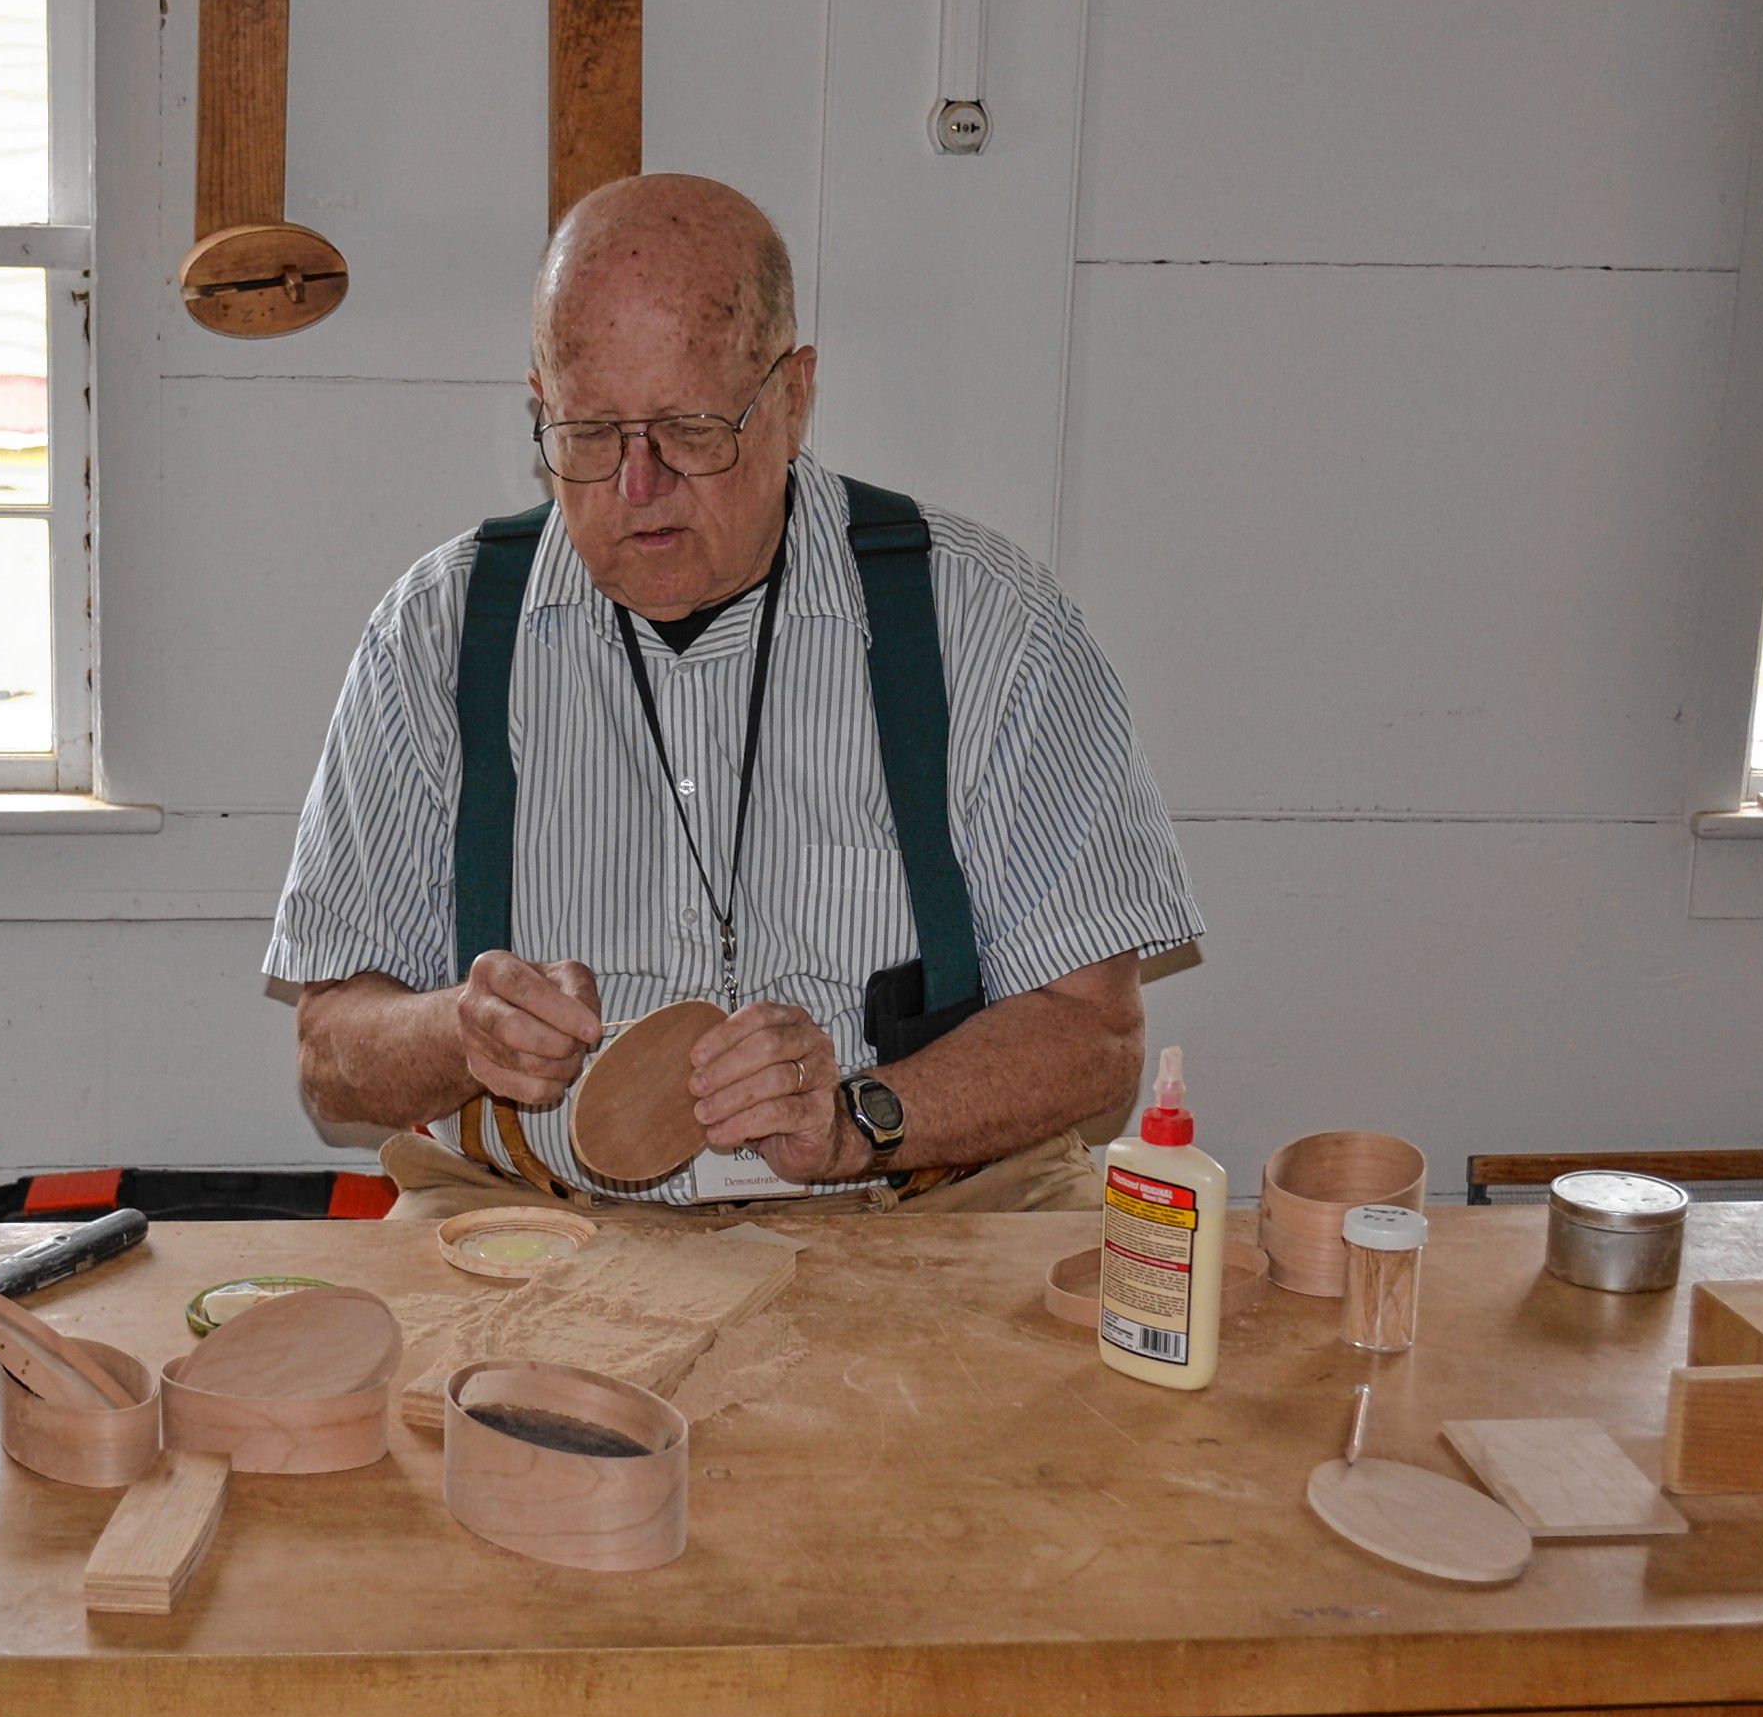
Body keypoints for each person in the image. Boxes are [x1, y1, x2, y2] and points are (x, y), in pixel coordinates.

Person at [267, 174, 1200, 1220]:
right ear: (540, 405)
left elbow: (1097, 1035)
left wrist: (860, 1116)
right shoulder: (434, 634)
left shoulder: (985, 623)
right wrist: (460, 1030)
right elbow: (330, 1047)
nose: (638, 484)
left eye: (691, 429)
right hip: (536, 1214)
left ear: (793, 397)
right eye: (587, 434)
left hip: (906, 1201)